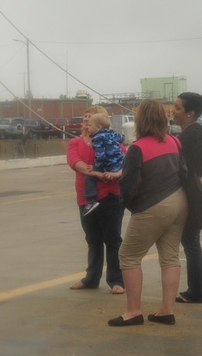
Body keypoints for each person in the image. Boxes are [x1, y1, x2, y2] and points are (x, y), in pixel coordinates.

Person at [108, 98, 188, 327]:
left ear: (140, 120)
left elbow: (128, 186)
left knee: (129, 256)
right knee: (170, 256)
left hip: (154, 206)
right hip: (180, 202)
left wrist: (133, 207)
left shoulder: (138, 148)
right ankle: (166, 310)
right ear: (163, 119)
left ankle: (133, 312)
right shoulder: (175, 141)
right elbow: (184, 171)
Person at [67, 107, 126, 293]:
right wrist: (100, 174)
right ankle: (91, 278)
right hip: (86, 198)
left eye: (90, 117)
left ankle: (117, 281)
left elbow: (124, 160)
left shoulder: (110, 140)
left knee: (113, 239)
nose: (85, 119)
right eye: (85, 116)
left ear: (100, 122)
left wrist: (114, 174)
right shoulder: (75, 142)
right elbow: (77, 164)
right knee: (92, 239)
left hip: (110, 196)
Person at [173, 92, 202, 304]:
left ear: (190, 113)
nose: (173, 111)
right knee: (191, 242)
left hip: (199, 191)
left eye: (178, 108)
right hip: (198, 189)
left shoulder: (194, 133)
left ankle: (197, 292)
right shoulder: (189, 131)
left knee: (190, 242)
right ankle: (200, 289)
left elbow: (199, 166)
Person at [80, 113, 124, 216]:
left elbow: (100, 156)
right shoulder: (112, 133)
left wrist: (95, 169)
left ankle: (91, 201)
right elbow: (122, 138)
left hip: (109, 165)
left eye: (90, 125)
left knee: (88, 177)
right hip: (119, 163)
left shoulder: (97, 138)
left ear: (98, 127)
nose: (88, 127)